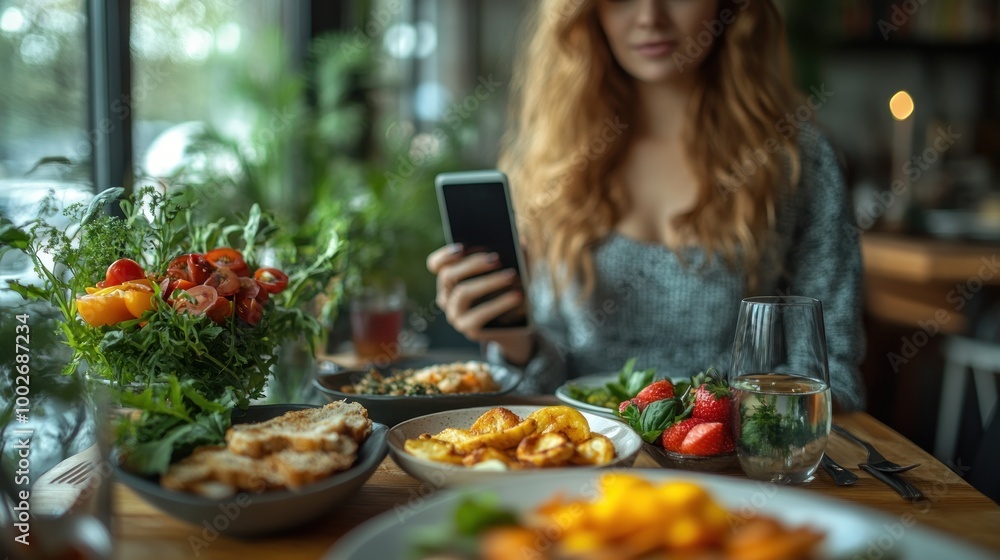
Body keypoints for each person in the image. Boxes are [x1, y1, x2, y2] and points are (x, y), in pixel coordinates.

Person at [426, 0, 865, 410]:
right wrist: (515, 341)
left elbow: (832, 374)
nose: (650, 16)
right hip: (582, 458)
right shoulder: (552, 162)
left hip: (735, 471)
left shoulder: (794, 159)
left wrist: (715, 429)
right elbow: (541, 386)